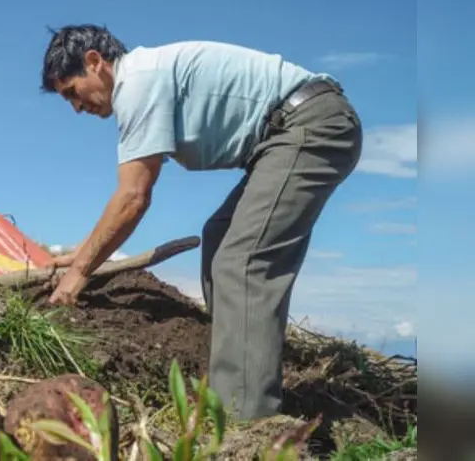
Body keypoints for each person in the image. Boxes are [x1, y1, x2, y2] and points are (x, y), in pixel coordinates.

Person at [38, 24, 362, 421]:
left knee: (243, 261)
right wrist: (82, 252)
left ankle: (246, 422)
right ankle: (235, 377)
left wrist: (79, 272)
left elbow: (133, 197)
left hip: (309, 126)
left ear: (94, 62)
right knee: (220, 235)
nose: (75, 107)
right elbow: (128, 197)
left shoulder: (136, 83)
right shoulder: (143, 77)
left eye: (72, 92)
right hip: (287, 133)